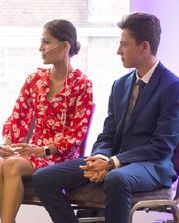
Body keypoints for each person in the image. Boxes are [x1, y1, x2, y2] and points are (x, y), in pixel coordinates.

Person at [33, 12, 179, 223]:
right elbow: (107, 134)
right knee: (44, 178)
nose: (118, 51)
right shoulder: (120, 85)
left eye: (124, 45)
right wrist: (100, 157)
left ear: (145, 47)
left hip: (153, 165)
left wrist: (112, 163)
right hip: (114, 161)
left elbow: (161, 147)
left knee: (116, 178)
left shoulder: (172, 87)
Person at [0, 19, 93, 223]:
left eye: (46, 42)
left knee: (12, 167)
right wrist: (7, 145)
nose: (40, 48)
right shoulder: (34, 79)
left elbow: (76, 136)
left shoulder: (82, 84)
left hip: (61, 157)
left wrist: (42, 150)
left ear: (64, 46)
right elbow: (17, 117)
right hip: (33, 153)